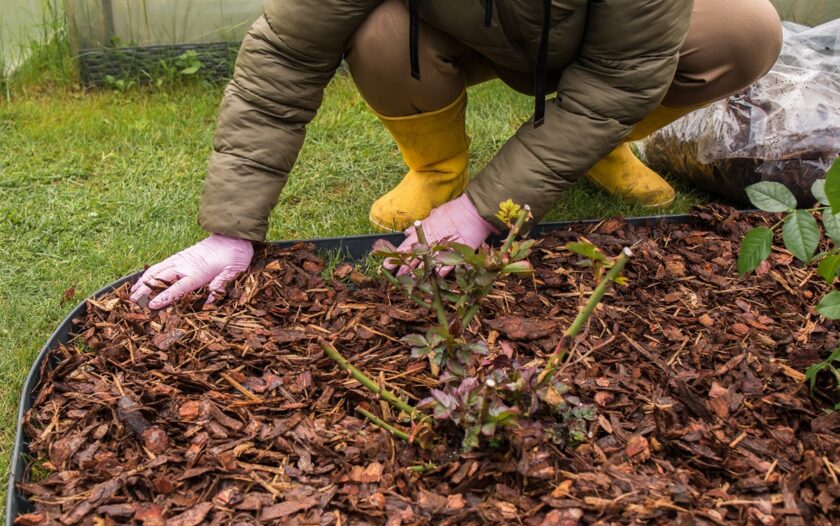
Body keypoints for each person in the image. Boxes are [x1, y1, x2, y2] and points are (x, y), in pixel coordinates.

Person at [130, 0, 782, 309]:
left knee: (747, 31)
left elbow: (623, 75)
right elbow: (285, 54)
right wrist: (229, 232)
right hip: (459, 32)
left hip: (602, 40)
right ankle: (435, 169)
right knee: (377, 31)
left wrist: (483, 212)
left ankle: (596, 146)